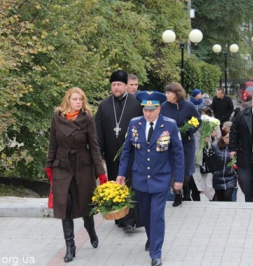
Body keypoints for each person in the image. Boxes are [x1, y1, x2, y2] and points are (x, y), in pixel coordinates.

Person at [116, 91, 184, 266]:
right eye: (145, 109)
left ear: (159, 109)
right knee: (145, 215)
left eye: (151, 110)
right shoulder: (134, 124)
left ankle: (156, 252)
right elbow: (127, 152)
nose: (147, 113)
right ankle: (151, 237)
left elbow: (178, 154)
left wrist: (179, 179)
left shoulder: (169, 125)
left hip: (161, 178)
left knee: (157, 214)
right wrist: (121, 174)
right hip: (140, 178)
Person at [44, 87, 107, 263]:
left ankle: (91, 231)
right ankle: (70, 246)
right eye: (75, 99)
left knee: (86, 207)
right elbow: (53, 144)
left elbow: (94, 147)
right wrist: (49, 166)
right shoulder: (57, 118)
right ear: (68, 101)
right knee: (66, 207)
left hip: (83, 167)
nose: (78, 102)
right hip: (62, 167)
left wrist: (101, 173)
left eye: (81, 99)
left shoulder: (87, 119)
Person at [95, 70, 143, 232]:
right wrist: (99, 152)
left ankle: (130, 220)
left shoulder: (136, 103)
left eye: (119, 85)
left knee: (129, 184)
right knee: (115, 182)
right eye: (114, 85)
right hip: (111, 153)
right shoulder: (104, 105)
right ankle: (120, 216)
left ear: (125, 86)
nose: (116, 88)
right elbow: (98, 130)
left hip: (132, 153)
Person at [160, 82, 201, 206]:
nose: (166, 95)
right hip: (169, 144)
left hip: (186, 143)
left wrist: (188, 130)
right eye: (166, 92)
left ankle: (185, 186)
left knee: (186, 171)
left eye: (168, 93)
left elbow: (198, 120)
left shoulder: (189, 106)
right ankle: (177, 193)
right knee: (172, 169)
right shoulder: (163, 106)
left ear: (176, 94)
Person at [191, 106, 220, 201]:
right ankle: (196, 196)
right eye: (201, 114)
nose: (203, 116)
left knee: (208, 181)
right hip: (196, 156)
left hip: (206, 157)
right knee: (195, 180)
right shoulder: (194, 124)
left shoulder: (213, 123)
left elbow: (217, 139)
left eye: (204, 114)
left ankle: (211, 198)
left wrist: (211, 138)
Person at [211, 129, 237, 201]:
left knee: (227, 197)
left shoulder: (234, 146)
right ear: (222, 137)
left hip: (230, 177)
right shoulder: (215, 146)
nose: (229, 140)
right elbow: (209, 157)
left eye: (230, 138)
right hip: (218, 176)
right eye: (226, 137)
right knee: (220, 199)